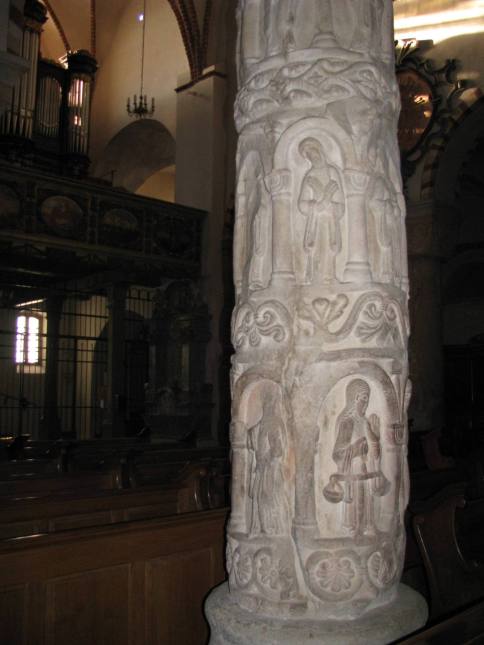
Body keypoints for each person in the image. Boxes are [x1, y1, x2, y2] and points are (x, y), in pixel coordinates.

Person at [332, 379, 384, 536]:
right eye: (364, 398)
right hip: (353, 472)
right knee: (358, 501)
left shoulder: (365, 423)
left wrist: (375, 439)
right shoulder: (348, 422)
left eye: (368, 399)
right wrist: (355, 449)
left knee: (367, 501)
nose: (366, 403)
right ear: (355, 398)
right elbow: (337, 454)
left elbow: (375, 454)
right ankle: (355, 530)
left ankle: (367, 527)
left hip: (365, 470)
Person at [298, 138, 344, 284]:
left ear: (320, 151)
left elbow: (341, 206)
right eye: (309, 156)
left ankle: (329, 277)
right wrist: (319, 205)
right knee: (316, 249)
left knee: (329, 248)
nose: (313, 157)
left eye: (314, 153)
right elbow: (301, 204)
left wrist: (328, 203)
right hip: (315, 221)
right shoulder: (310, 176)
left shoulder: (332, 172)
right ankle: (315, 277)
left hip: (330, 220)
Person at [248, 390, 288, 536]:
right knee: (261, 498)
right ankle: (265, 528)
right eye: (266, 403)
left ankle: (273, 527)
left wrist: (268, 456)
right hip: (263, 468)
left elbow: (278, 450)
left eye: (269, 403)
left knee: (269, 497)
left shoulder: (275, 423)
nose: (267, 406)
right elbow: (253, 438)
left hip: (271, 468)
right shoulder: (263, 424)